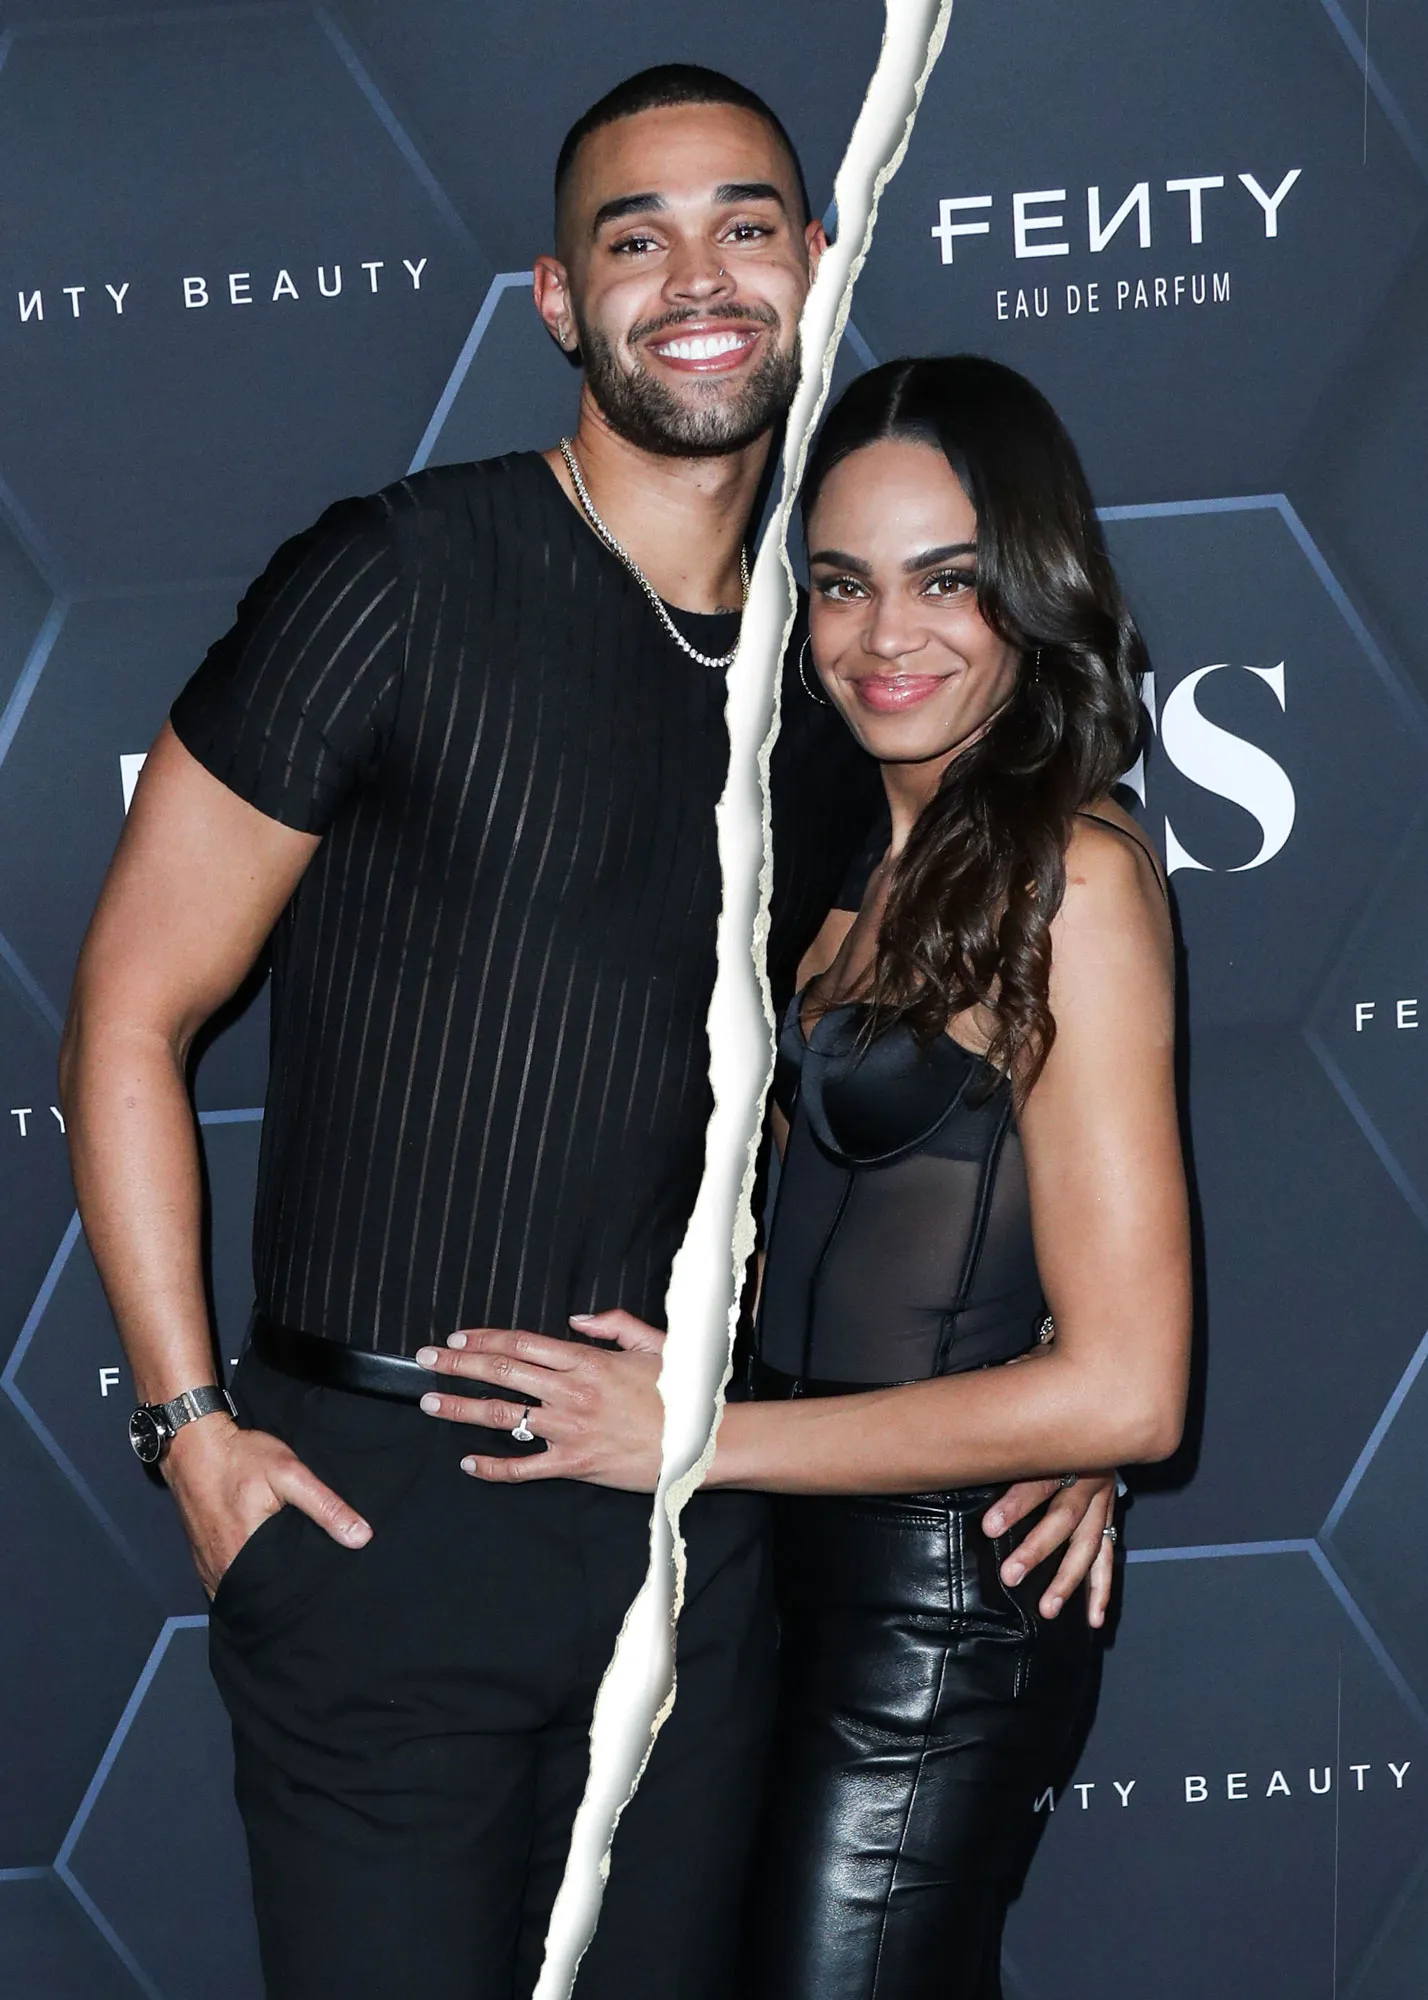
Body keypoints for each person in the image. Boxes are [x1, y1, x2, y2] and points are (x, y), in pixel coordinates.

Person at [60, 56, 1117, 2000]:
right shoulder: (394, 580)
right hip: (375, 1529)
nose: (697, 278)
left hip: (698, 1556)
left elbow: (898, 1088)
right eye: (637, 242)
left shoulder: (841, 674)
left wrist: (1056, 1404)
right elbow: (130, 1007)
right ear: (562, 301)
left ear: (816, 262)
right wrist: (190, 1433)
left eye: (744, 227)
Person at [415, 355, 1192, 1998]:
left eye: (946, 580)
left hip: (935, 1619)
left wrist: (694, 1439)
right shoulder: (847, 851)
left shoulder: (1072, 876)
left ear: (1033, 588)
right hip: (777, 1577)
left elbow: (1130, 1389)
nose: (884, 634)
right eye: (842, 583)